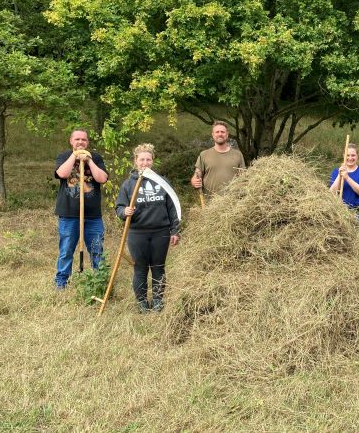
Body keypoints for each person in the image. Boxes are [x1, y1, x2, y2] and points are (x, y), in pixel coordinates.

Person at [115, 144, 180, 313]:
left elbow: (172, 207)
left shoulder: (163, 182)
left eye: (148, 159)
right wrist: (124, 211)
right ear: (135, 161)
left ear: (153, 161)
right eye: (141, 159)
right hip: (137, 233)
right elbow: (119, 207)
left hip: (161, 232)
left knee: (158, 267)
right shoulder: (128, 185)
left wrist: (175, 231)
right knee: (140, 268)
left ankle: (158, 300)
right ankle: (142, 302)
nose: (145, 163)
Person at [54, 129, 108, 289]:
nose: (80, 142)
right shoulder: (64, 156)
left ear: (88, 142)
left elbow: (102, 178)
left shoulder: (96, 158)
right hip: (69, 214)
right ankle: (61, 284)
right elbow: (62, 174)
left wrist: (89, 161)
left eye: (84, 140)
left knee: (97, 249)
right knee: (66, 251)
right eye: (77, 139)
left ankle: (101, 283)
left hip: (92, 216)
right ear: (71, 141)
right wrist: (75, 156)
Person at [329, 143, 359, 265]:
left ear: (357, 156)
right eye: (348, 155)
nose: (350, 158)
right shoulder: (336, 172)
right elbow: (331, 192)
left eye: (353, 155)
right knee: (343, 248)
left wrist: (348, 178)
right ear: (343, 156)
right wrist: (340, 176)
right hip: (341, 215)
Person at [190, 121, 246, 198]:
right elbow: (197, 175)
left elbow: (243, 178)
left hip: (233, 203)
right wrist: (194, 181)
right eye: (217, 132)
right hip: (210, 204)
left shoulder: (238, 154)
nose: (220, 134)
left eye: (222, 132)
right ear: (213, 135)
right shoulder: (204, 155)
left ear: (227, 134)